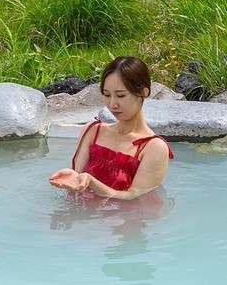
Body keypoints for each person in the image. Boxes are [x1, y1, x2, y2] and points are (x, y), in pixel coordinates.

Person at [48, 55, 172, 199]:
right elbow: (78, 181)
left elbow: (133, 197)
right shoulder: (93, 131)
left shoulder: (154, 147)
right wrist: (72, 178)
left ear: (143, 93)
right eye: (107, 95)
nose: (112, 104)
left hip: (124, 219)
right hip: (86, 216)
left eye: (120, 95)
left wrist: (91, 181)